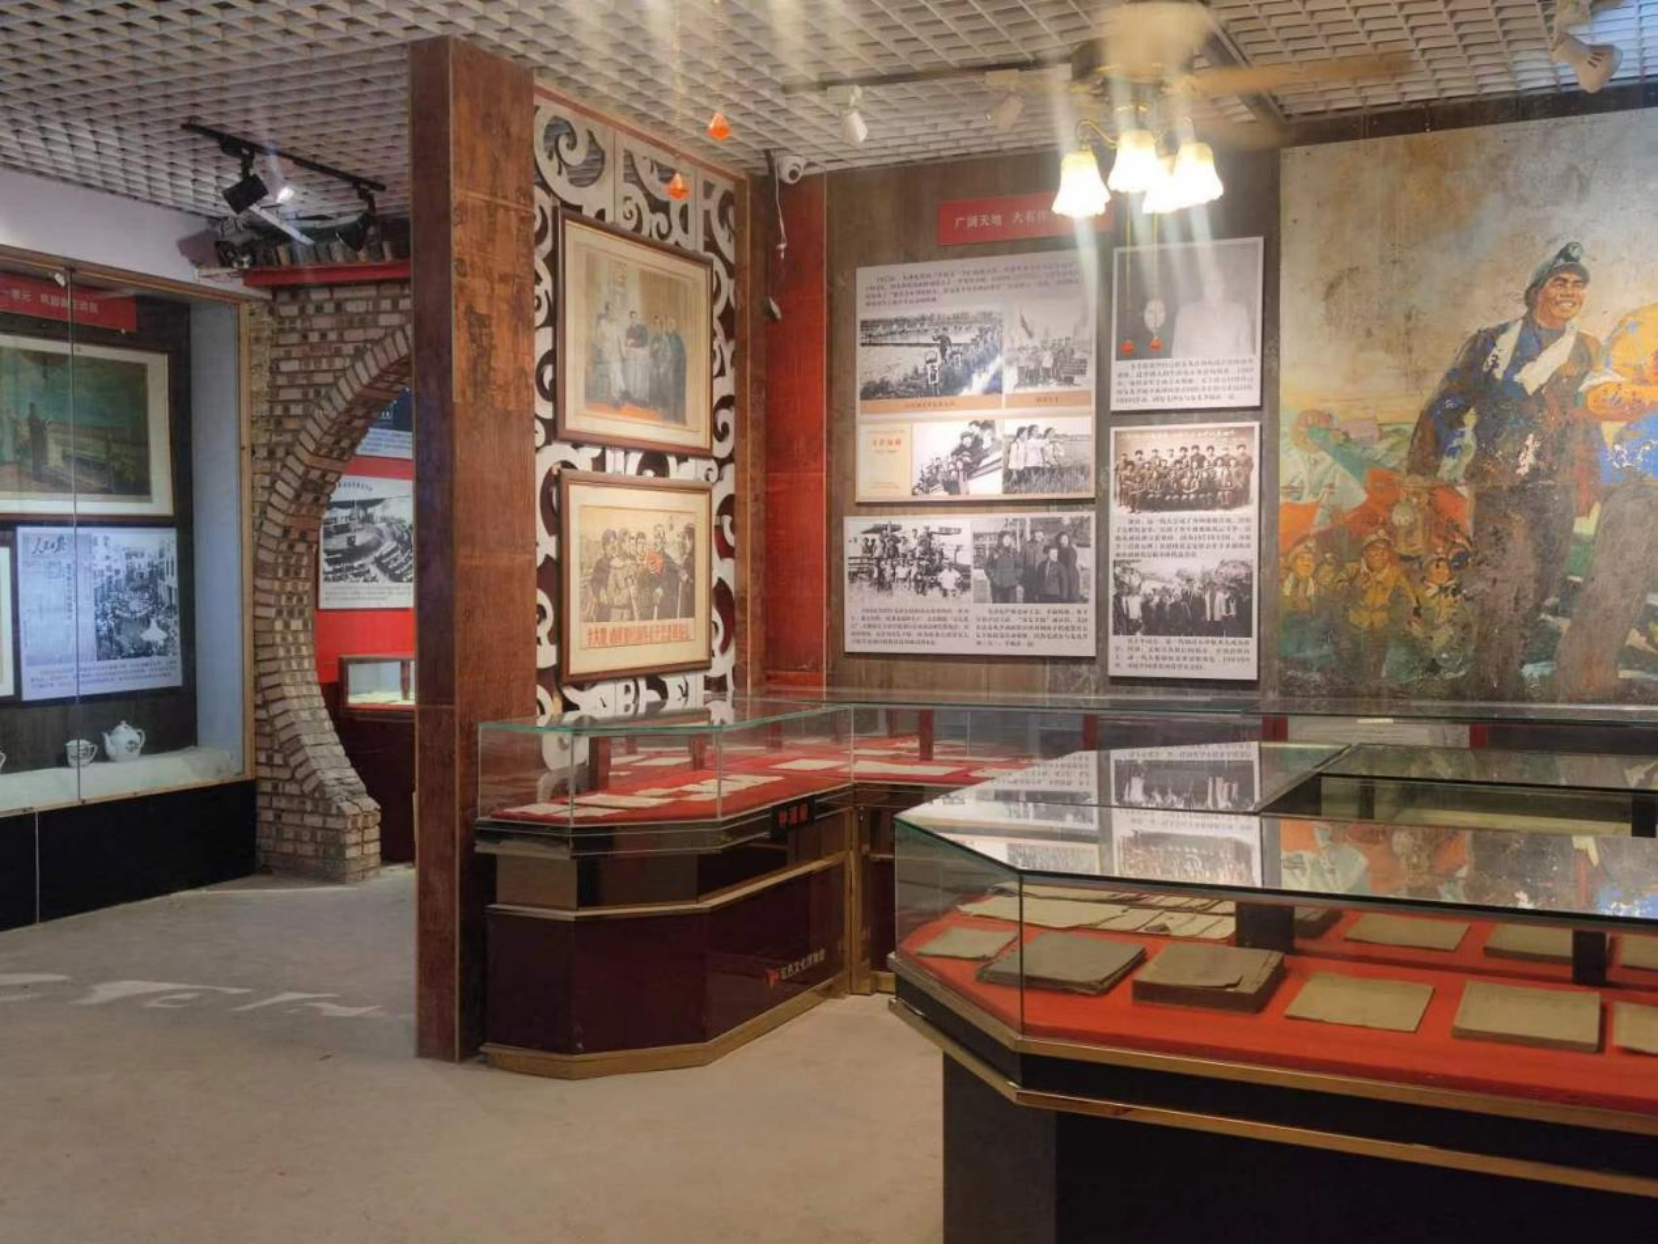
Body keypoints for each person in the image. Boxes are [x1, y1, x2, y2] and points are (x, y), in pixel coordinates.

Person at [1407, 242, 1604, 699]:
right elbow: (1448, 403)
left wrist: (1594, 481)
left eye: (1578, 285)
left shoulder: (1586, 350)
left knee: (1541, 587)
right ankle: (1492, 686)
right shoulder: (1491, 343)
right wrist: (1421, 469)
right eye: (1560, 282)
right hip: (1502, 482)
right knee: (1502, 583)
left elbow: (1592, 417)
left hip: (1558, 485)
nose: (1569, 292)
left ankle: (1501, 673)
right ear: (1536, 290)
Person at [1555, 302, 1658, 699]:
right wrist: (1650, 392)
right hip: (1645, 482)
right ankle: (1585, 686)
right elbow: (1596, 398)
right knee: (1614, 588)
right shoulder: (1643, 325)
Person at [1172, 265, 1254, 359]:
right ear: (1202, 286)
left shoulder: (1239, 313)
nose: (1213, 287)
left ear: (1224, 285)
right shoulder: (1185, 315)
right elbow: (1177, 354)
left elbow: (1247, 354)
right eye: (1208, 282)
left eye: (1217, 282)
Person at [986, 530, 1021, 604]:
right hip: (997, 586)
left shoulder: (1014, 552)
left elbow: (1019, 566)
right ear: (1001, 540)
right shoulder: (994, 552)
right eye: (1005, 539)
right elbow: (988, 566)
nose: (1007, 541)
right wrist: (993, 577)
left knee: (1011, 607)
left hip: (1011, 586)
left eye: (1009, 539)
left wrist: (1016, 576)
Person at [1054, 530, 1081, 603]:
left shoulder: (1070, 550)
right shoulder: (1060, 550)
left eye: (1065, 539)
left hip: (1070, 576)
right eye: (1061, 539)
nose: (1063, 541)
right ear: (1058, 540)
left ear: (1068, 540)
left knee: (1071, 598)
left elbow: (1070, 566)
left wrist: (1065, 579)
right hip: (1063, 576)